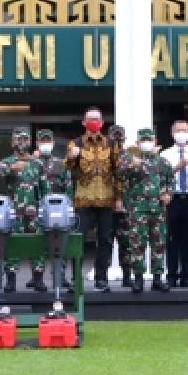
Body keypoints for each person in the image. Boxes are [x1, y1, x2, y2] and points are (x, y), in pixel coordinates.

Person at [65, 107, 121, 291]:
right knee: (77, 239)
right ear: (83, 122)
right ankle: (76, 279)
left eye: (97, 119)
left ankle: (101, 278)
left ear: (102, 123)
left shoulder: (111, 144)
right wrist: (70, 158)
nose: (93, 122)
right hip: (83, 199)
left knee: (105, 240)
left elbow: (118, 172)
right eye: (90, 119)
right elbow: (68, 169)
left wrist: (119, 197)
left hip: (106, 199)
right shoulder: (75, 143)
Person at [0, 127, 48, 293]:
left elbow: (44, 188)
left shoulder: (37, 163)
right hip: (13, 211)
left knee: (37, 243)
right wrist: (11, 169)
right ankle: (11, 280)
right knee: (12, 244)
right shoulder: (7, 161)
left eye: (24, 139)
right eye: (18, 139)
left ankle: (38, 279)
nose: (21, 143)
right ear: (12, 142)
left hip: (34, 211)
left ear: (29, 142)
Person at [118, 128, 173, 292]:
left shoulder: (163, 162)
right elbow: (119, 176)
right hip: (137, 210)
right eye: (143, 140)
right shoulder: (129, 159)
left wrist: (169, 194)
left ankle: (157, 278)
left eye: (149, 140)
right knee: (137, 244)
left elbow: (170, 181)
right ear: (137, 143)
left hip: (158, 209)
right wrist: (131, 165)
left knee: (159, 244)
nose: (147, 143)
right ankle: (138, 279)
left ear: (155, 142)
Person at [160, 119, 188, 288]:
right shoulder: (164, 155)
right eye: (178, 130)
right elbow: (160, 178)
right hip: (172, 199)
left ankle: (186, 276)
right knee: (171, 239)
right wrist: (177, 167)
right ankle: (171, 275)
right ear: (172, 133)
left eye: (184, 130)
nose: (181, 133)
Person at [35, 128, 73, 289]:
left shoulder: (61, 164)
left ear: (53, 143)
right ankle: (37, 278)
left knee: (60, 243)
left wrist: (69, 207)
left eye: (47, 141)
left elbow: (68, 187)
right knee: (38, 244)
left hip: (58, 210)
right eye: (42, 141)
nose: (45, 144)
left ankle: (60, 275)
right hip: (37, 210)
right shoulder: (31, 163)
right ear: (37, 143)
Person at [109, 124, 133, 289]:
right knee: (105, 243)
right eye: (114, 136)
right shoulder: (103, 156)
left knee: (127, 243)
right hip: (106, 206)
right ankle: (101, 277)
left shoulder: (130, 157)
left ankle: (127, 276)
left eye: (119, 137)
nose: (117, 139)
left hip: (127, 206)